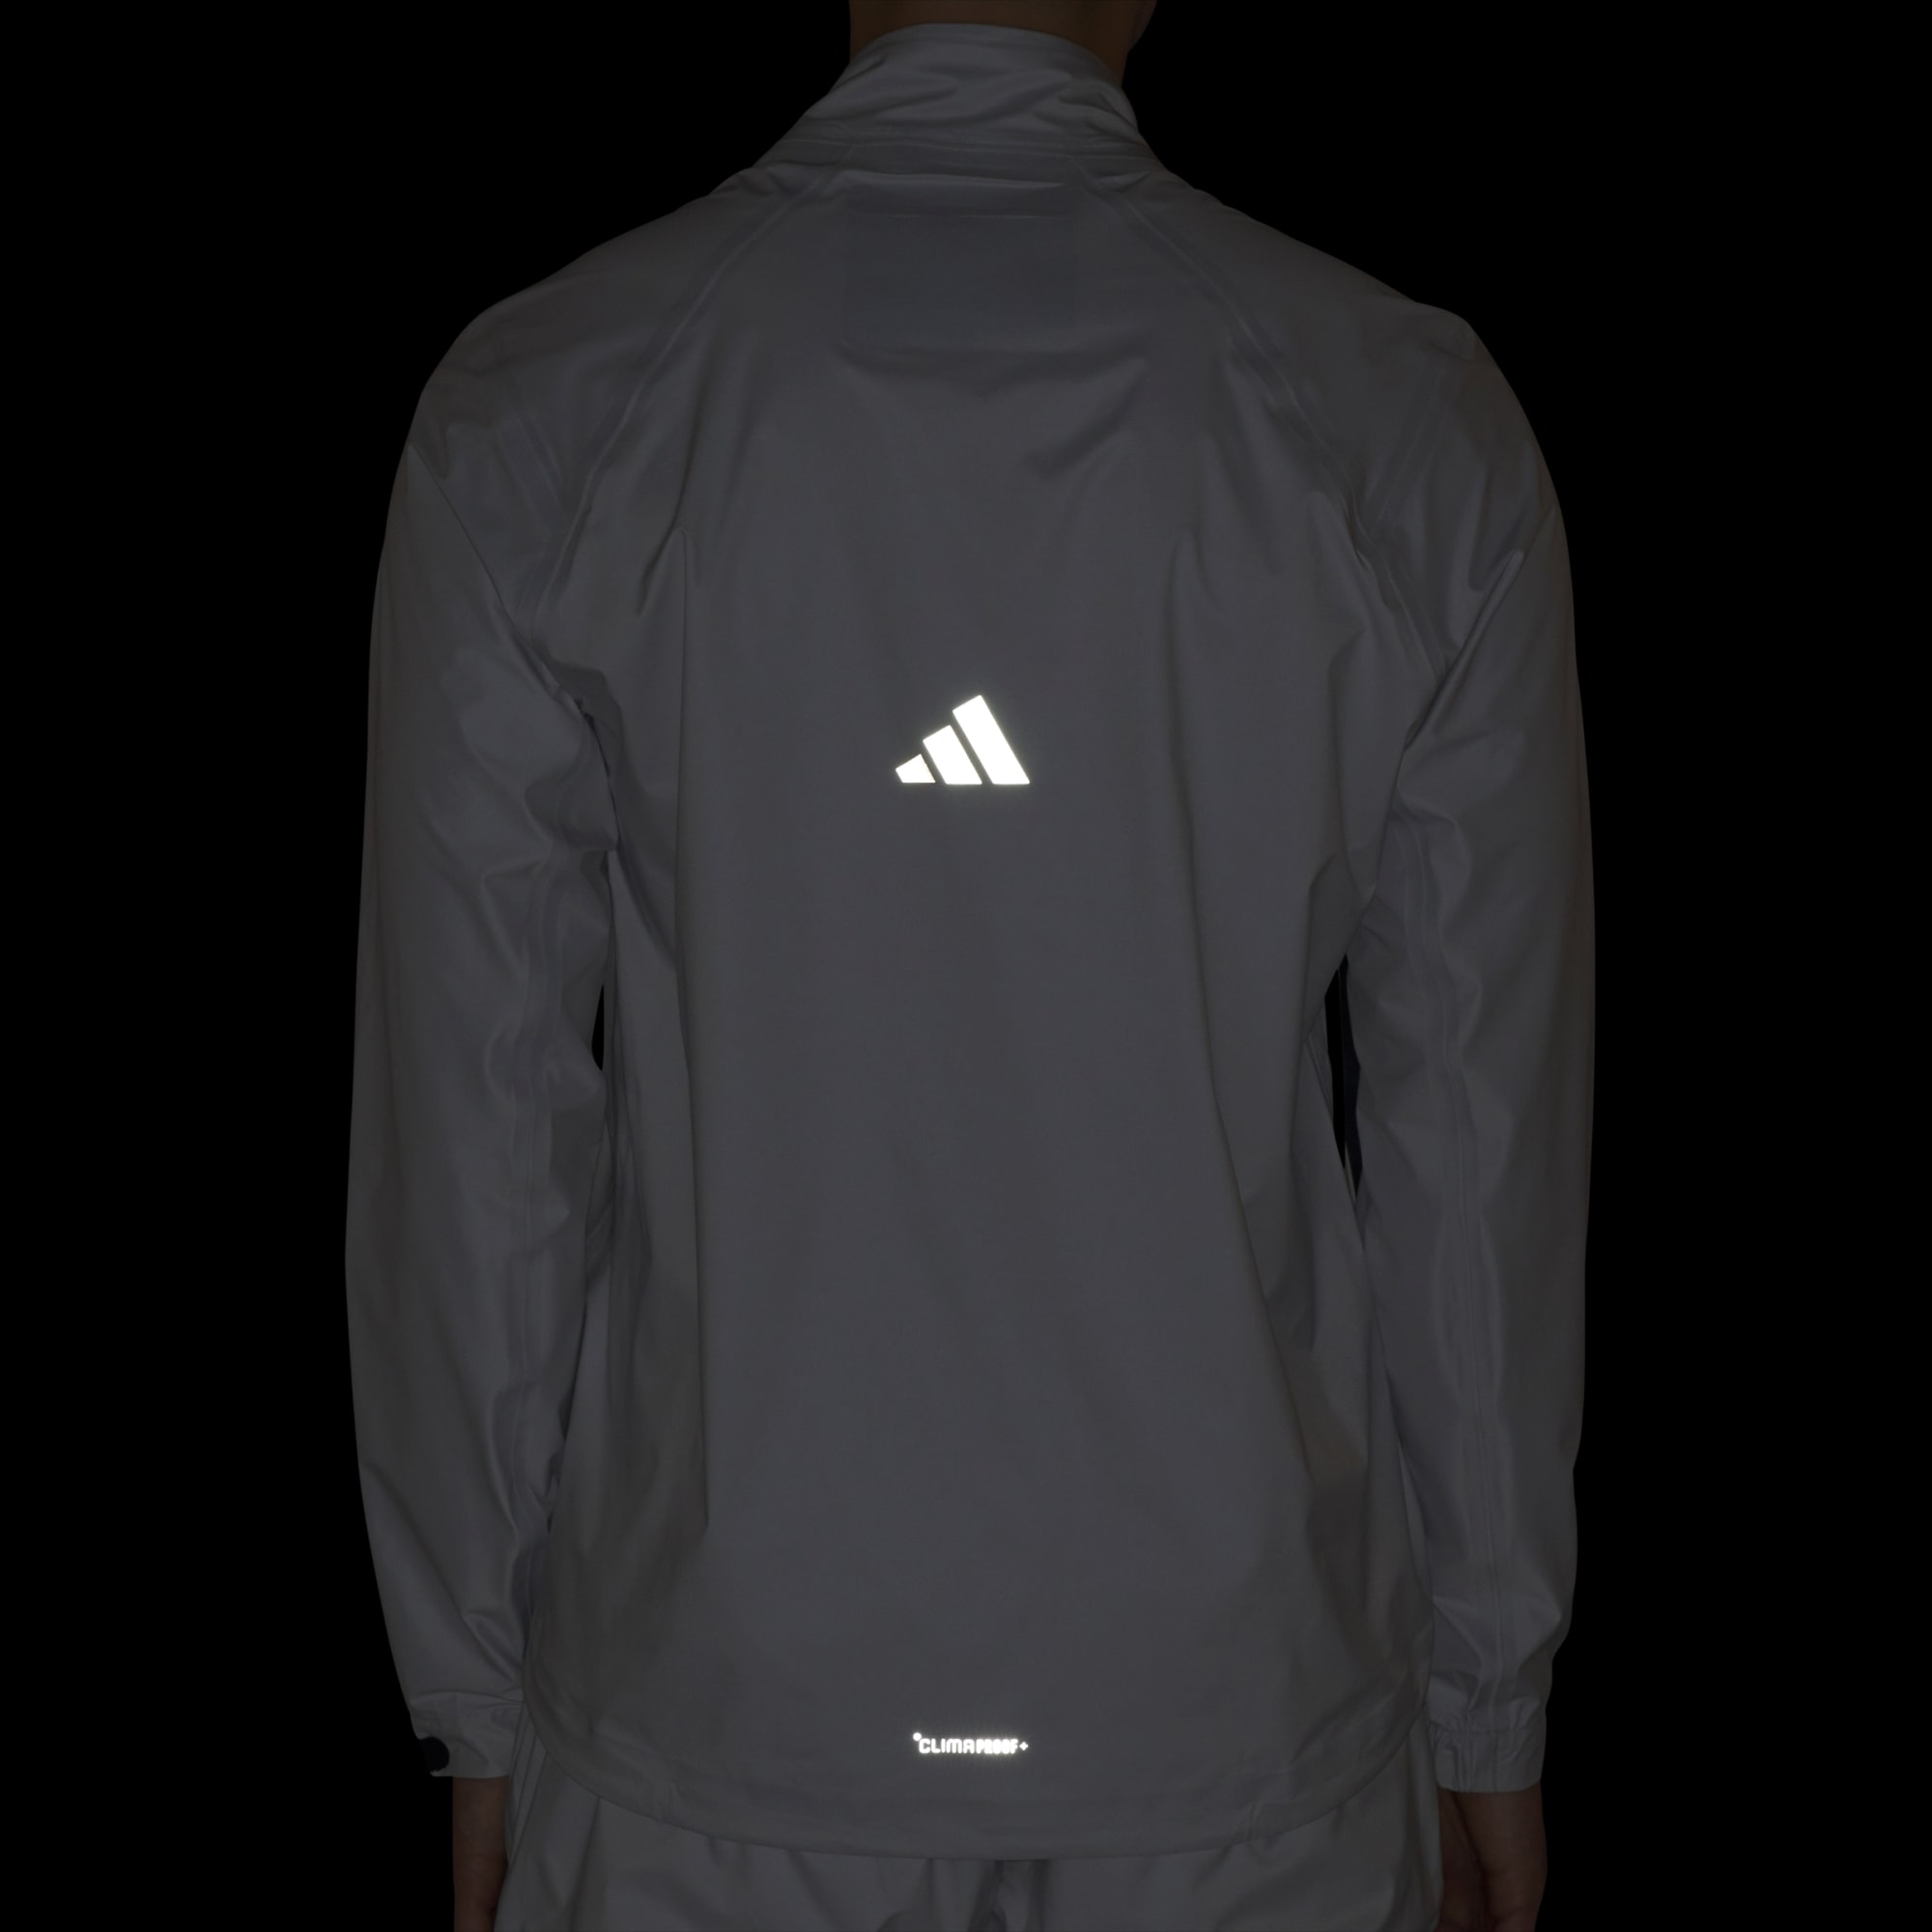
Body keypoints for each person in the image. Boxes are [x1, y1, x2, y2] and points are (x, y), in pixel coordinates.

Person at [345, 1, 1592, 1925]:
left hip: (721, 1722)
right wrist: (1488, 1698)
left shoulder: (549, 400)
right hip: (1234, 1725)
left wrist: (472, 1690)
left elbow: (476, 1132)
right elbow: (1476, 1150)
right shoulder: (1401, 418)